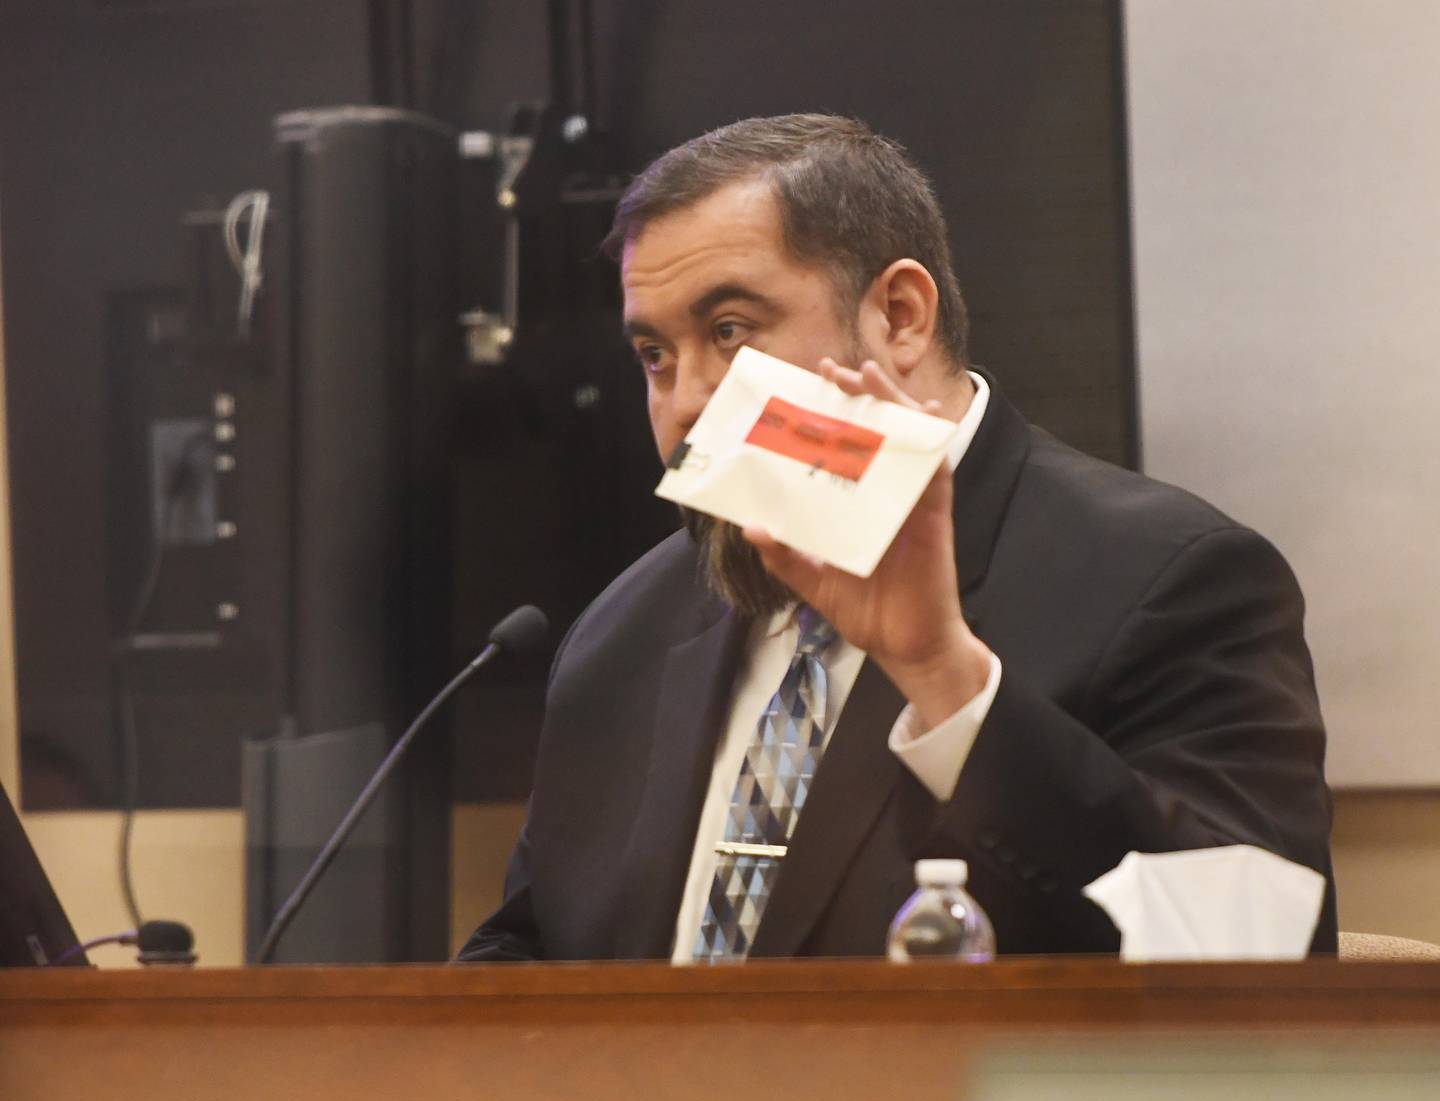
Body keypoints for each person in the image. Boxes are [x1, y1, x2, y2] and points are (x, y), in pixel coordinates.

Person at [457, 113, 1335, 963]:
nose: (685, 402)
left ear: (902, 316)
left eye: (730, 331)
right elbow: (535, 949)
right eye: (656, 354)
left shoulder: (1172, 579)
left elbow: (1257, 961)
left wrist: (948, 680)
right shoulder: (629, 627)